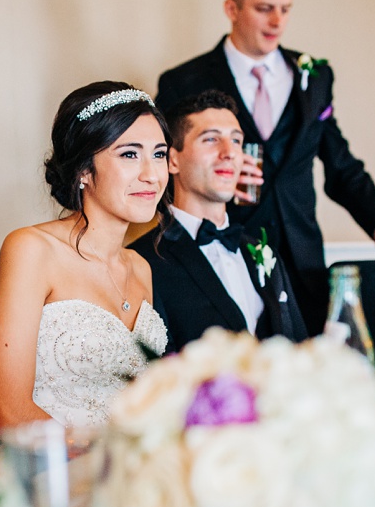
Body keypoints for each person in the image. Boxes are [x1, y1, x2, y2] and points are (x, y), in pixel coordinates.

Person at [156, 0, 375, 334]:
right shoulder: (184, 81)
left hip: (304, 257)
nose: (277, 21)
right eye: (264, 8)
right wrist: (218, 174)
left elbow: (339, 160)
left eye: (285, 9)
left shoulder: (314, 77)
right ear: (232, 8)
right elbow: (162, 162)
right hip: (227, 252)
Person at [0, 81, 170, 434]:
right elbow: (7, 412)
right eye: (130, 154)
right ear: (84, 170)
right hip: (54, 470)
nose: (151, 174)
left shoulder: (140, 268)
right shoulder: (31, 249)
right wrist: (100, 463)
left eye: (159, 154)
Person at [131, 90, 308, 353]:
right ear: (172, 160)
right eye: (211, 139)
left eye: (236, 141)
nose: (229, 153)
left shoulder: (264, 252)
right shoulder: (142, 261)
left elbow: (301, 350)